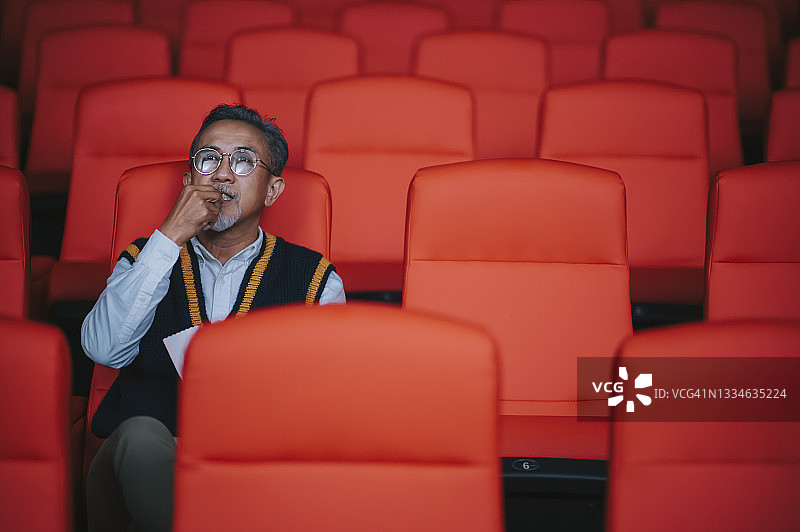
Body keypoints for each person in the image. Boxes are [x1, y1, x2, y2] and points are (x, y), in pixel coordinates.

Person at [81, 104, 345, 531]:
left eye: (243, 160)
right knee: (140, 435)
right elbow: (103, 349)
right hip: (139, 465)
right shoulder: (142, 258)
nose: (222, 174)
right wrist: (169, 237)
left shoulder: (315, 279)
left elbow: (328, 406)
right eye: (208, 159)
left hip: (255, 476)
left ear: (273, 190)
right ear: (188, 182)